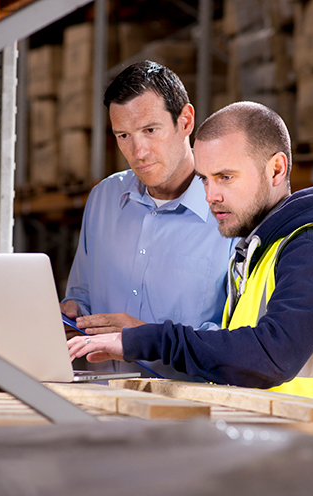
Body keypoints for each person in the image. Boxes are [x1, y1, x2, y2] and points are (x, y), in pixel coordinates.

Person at [68, 101, 313, 425]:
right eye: (204, 179)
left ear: (276, 169)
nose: (210, 196)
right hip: (284, 457)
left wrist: (145, 339)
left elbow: (271, 356)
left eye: (225, 177)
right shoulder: (261, 253)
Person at [61, 61, 233, 379]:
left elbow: (239, 341)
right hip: (105, 404)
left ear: (186, 121)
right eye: (123, 135)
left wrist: (146, 337)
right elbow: (81, 295)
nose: (138, 151)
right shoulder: (103, 199)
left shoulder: (229, 212)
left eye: (150, 131)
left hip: (192, 413)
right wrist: (73, 316)